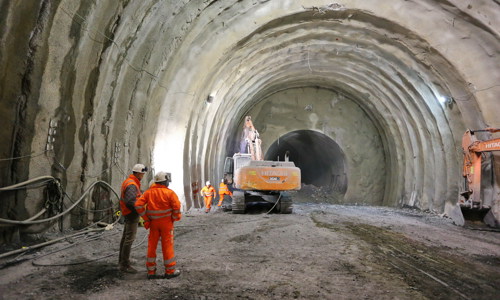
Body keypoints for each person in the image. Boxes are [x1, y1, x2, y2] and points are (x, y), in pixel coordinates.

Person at [135, 171, 182, 279]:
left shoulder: (148, 192)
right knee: (167, 246)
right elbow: (177, 208)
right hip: (166, 224)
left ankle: (151, 272)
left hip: (153, 224)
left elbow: (138, 205)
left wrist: (146, 219)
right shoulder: (170, 193)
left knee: (152, 246)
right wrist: (174, 218)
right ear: (165, 182)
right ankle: (170, 271)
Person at [119, 163, 148, 273]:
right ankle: (124, 265)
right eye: (142, 173)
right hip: (131, 214)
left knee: (125, 238)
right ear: (138, 173)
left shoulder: (130, 182)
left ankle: (122, 261)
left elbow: (133, 197)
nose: (143, 175)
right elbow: (131, 201)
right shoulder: (132, 184)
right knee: (129, 239)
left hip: (128, 213)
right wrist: (141, 210)